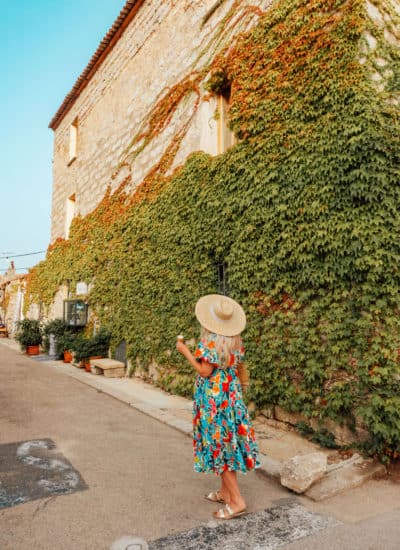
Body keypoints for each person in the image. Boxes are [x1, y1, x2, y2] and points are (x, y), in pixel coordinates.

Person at [176, 294, 259, 520]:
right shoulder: (236, 341)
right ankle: (225, 492)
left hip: (213, 398)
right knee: (227, 443)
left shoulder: (209, 341)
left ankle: (237, 501)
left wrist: (184, 352)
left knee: (218, 446)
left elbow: (205, 371)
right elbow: (238, 368)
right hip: (230, 395)